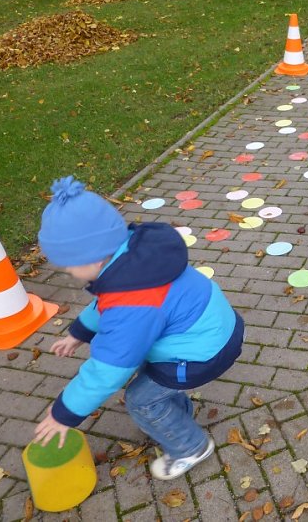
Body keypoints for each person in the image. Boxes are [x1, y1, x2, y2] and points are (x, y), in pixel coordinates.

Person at [33, 176, 243, 480]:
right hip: (214, 329)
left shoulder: (134, 302)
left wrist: (63, 413)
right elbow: (106, 304)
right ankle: (176, 416)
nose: (67, 272)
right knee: (152, 379)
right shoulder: (133, 258)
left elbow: (109, 368)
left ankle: (190, 446)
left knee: (140, 399)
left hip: (202, 353)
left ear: (91, 255)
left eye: (67, 265)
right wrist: (78, 334)